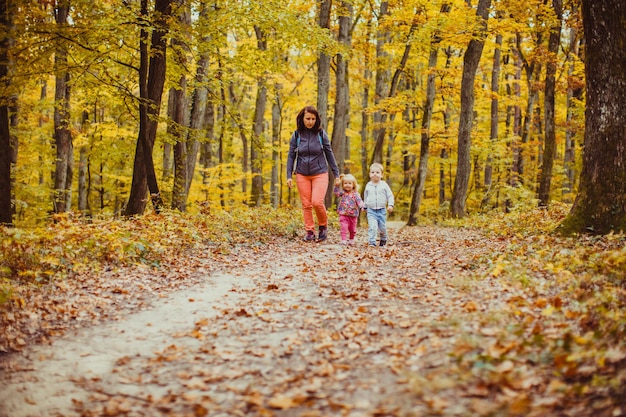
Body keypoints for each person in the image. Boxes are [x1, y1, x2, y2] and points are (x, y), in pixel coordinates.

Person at [287, 106, 341, 242]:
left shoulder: (321, 134)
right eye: (307, 119)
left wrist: (336, 174)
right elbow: (290, 156)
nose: (310, 121)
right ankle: (309, 231)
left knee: (317, 202)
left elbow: (329, 154)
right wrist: (288, 176)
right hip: (301, 173)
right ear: (302, 119)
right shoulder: (297, 135)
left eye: (313, 119)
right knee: (306, 204)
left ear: (316, 120)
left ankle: (323, 226)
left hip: (320, 173)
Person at [363, 162, 394, 247]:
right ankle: (372, 242)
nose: (375, 174)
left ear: (382, 175)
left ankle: (383, 239)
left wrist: (390, 205)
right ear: (370, 174)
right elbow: (366, 197)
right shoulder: (368, 185)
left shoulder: (384, 185)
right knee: (372, 227)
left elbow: (390, 195)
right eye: (372, 172)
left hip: (382, 210)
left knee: (382, 228)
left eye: (377, 172)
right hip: (371, 210)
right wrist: (364, 206)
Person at [333, 174, 365, 245]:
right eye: (345, 183)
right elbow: (336, 193)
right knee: (343, 227)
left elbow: (359, 201)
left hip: (353, 214)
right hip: (343, 213)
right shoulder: (343, 193)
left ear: (353, 185)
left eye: (349, 183)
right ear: (343, 184)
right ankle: (343, 240)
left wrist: (362, 207)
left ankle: (351, 239)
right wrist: (337, 185)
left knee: (352, 229)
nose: (347, 185)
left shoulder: (355, 194)